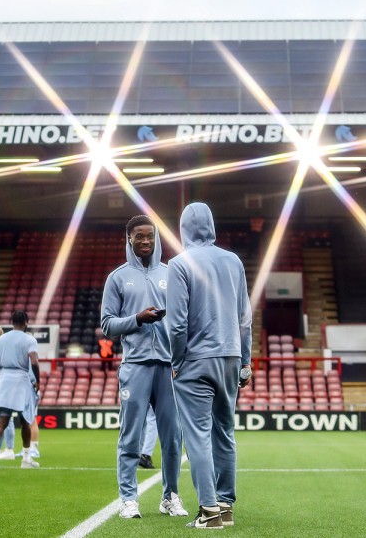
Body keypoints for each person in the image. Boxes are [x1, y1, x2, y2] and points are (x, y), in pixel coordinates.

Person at [167, 202, 252, 529]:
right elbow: (245, 318)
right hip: (230, 356)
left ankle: (208, 510)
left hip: (196, 360)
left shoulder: (178, 264)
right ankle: (226, 506)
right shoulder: (233, 261)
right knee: (224, 432)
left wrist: (177, 361)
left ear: (183, 228)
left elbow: (176, 324)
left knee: (198, 436)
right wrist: (245, 361)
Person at [101, 214, 187, 520]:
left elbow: (183, 320)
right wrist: (137, 319)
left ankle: (170, 496)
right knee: (130, 436)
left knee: (173, 437)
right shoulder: (118, 277)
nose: (146, 241)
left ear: (157, 238)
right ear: (129, 239)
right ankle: (128, 499)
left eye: (150, 235)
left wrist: (181, 358)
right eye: (139, 236)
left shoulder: (172, 273)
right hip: (135, 365)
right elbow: (107, 324)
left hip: (168, 367)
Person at [0, 310, 41, 469]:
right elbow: (34, 361)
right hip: (21, 380)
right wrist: (38, 381)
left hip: (4, 379)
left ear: (11, 321)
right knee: (25, 421)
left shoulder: (1, 339)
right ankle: (26, 458)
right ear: (26, 322)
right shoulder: (29, 339)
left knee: (2, 420)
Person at [0, 324, 17, 459]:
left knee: (4, 418)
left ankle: (9, 449)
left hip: (1, 385)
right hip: (5, 384)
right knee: (2, 418)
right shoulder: (6, 347)